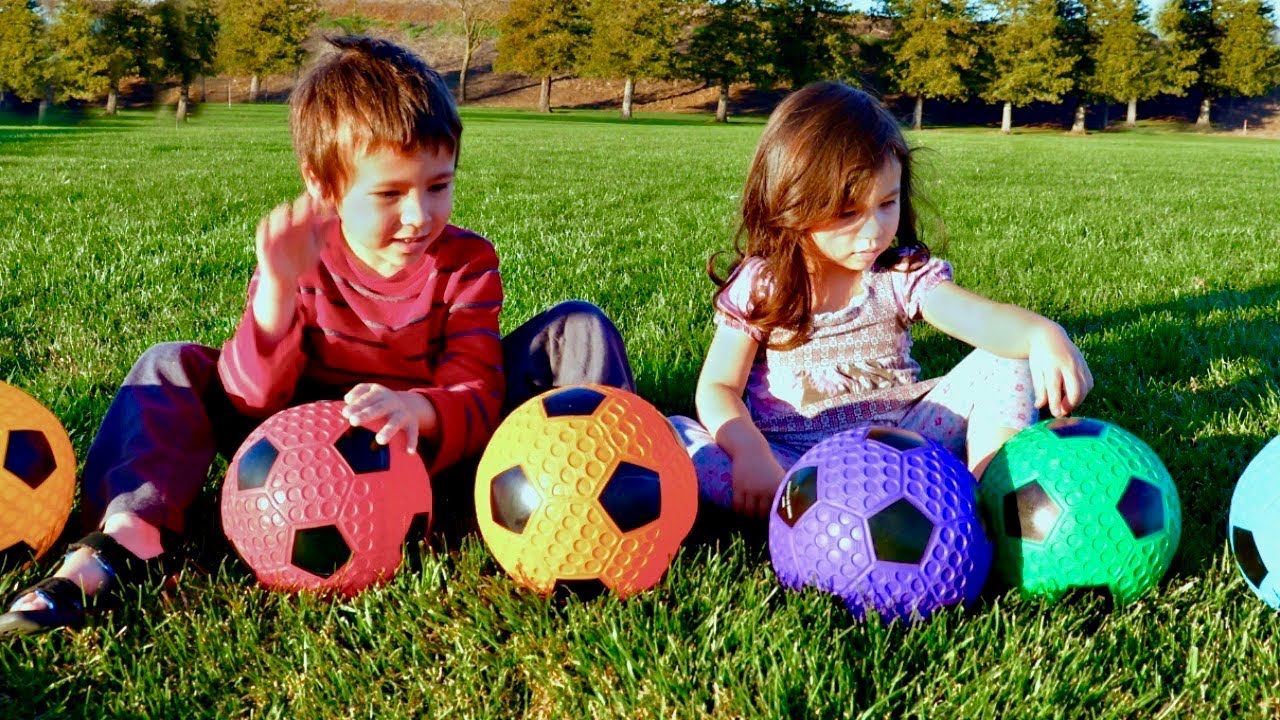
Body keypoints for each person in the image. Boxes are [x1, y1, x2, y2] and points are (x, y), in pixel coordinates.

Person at [0, 35, 632, 635]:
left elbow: (477, 384)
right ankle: (127, 535)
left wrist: (419, 409)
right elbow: (252, 401)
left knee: (577, 327)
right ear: (323, 184)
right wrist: (274, 293)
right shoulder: (300, 257)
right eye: (389, 193)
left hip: (426, 448)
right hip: (294, 458)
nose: (420, 215)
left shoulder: (466, 262)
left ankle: (604, 503)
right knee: (170, 365)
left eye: (439, 186)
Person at [670, 82, 1093, 519]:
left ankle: (985, 496)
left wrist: (1042, 332)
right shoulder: (765, 284)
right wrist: (750, 454)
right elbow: (719, 387)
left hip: (907, 444)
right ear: (792, 200)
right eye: (848, 213)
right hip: (793, 460)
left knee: (1008, 361)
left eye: (887, 204)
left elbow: (979, 320)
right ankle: (796, 509)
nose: (873, 232)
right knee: (677, 436)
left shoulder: (898, 274)